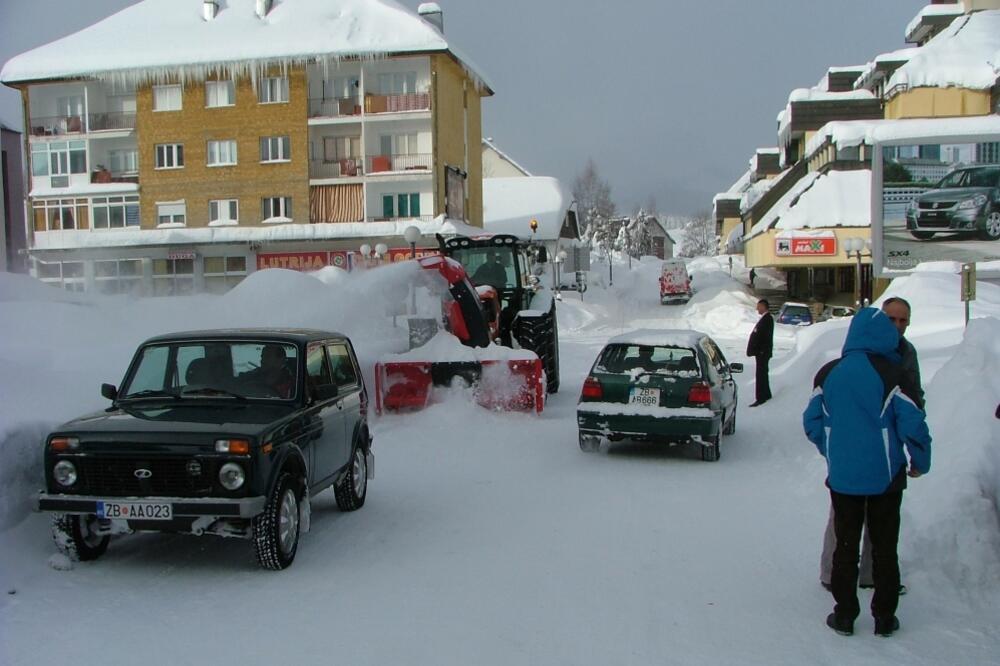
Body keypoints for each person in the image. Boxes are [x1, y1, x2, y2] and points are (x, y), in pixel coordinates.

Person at [803, 308, 931, 638]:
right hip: (886, 478)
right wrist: (920, 460)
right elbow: (913, 423)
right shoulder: (893, 375)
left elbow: (812, 423)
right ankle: (884, 618)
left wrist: (831, 451)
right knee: (885, 548)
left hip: (844, 478)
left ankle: (844, 614)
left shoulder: (828, 373)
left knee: (845, 546)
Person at [819, 297, 924, 593]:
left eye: (903, 321)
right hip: (853, 449)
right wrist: (832, 444)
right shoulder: (861, 352)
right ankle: (833, 575)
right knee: (844, 520)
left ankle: (870, 576)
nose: (898, 326)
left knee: (880, 522)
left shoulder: (906, 353)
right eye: (892, 319)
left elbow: (914, 396)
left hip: (886, 448)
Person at [746, 299, 773, 406]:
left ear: (763, 306)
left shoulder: (767, 319)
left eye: (759, 306)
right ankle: (766, 393)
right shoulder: (765, 319)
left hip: (762, 353)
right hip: (761, 352)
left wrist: (760, 350)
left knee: (761, 374)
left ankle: (761, 397)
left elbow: (765, 337)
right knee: (762, 373)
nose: (757, 308)